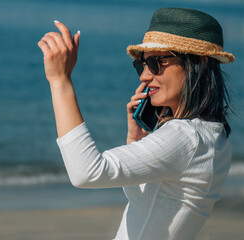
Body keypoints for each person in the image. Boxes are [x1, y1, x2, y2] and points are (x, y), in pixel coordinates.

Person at [38, 7, 234, 240]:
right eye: (142, 64)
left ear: (198, 63)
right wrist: (136, 140)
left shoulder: (185, 137)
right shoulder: (213, 134)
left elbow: (86, 173)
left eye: (156, 63)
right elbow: (147, 200)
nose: (144, 76)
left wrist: (60, 81)